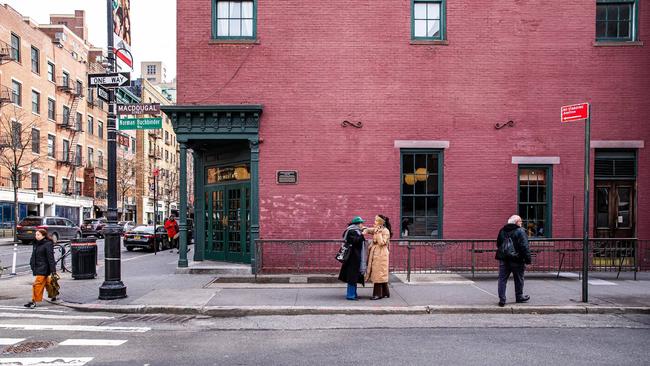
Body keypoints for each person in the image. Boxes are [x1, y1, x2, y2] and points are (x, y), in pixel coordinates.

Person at [495, 214, 532, 307]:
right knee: (519, 278)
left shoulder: (502, 230)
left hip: (504, 259)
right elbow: (524, 247)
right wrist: (528, 260)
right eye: (520, 221)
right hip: (517, 259)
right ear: (516, 222)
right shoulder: (520, 231)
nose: (521, 223)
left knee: (502, 279)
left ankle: (502, 299)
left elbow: (498, 243)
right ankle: (519, 296)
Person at [25, 229, 56, 309]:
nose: (36, 236)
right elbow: (34, 255)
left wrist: (53, 271)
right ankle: (53, 295)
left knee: (37, 284)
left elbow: (51, 258)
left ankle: (33, 301)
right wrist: (32, 263)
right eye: (36, 234)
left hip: (44, 267)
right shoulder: (36, 243)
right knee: (47, 283)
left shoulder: (47, 244)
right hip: (37, 266)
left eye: (38, 235)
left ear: (43, 235)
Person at [363, 215, 392, 300]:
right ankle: (385, 292)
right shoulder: (377, 229)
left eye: (376, 221)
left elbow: (382, 243)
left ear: (380, 222)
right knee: (380, 273)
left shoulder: (385, 231)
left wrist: (378, 233)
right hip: (376, 253)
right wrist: (364, 229)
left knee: (378, 273)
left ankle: (378, 294)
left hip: (381, 254)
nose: (374, 222)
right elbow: (370, 230)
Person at [338, 216, 366, 300]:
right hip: (352, 258)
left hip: (355, 257)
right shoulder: (351, 231)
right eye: (361, 223)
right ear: (357, 224)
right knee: (352, 277)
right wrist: (362, 234)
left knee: (354, 276)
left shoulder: (356, 231)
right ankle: (350, 295)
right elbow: (354, 241)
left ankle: (354, 293)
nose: (362, 225)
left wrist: (361, 233)